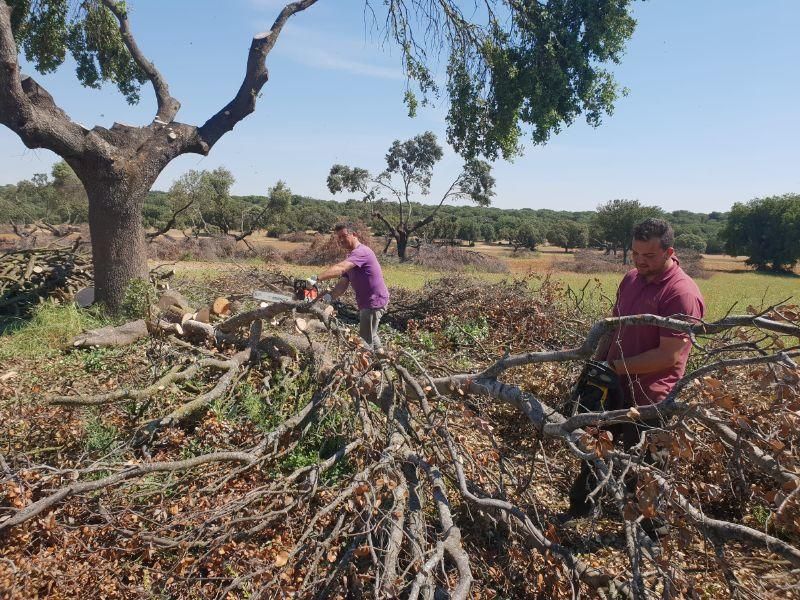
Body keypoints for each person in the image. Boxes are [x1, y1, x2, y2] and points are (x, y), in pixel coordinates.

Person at [565, 218, 705, 521]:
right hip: (612, 386)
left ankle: (650, 536)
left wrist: (614, 366)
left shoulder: (681, 293)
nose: (640, 262)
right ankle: (580, 513)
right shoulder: (630, 279)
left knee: (646, 469)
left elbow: (669, 356)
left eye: (649, 256)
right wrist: (597, 365)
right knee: (595, 452)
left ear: (670, 251)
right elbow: (613, 327)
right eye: (635, 254)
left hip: (651, 397)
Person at [310, 223, 390, 350]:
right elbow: (342, 285)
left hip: (373, 302)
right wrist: (327, 298)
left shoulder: (361, 252)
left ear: (354, 235)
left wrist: (315, 279)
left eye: (344, 236)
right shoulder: (351, 257)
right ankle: (384, 363)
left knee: (364, 341)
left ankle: (368, 367)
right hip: (368, 302)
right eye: (339, 237)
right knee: (371, 335)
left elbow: (341, 268)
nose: (341, 240)